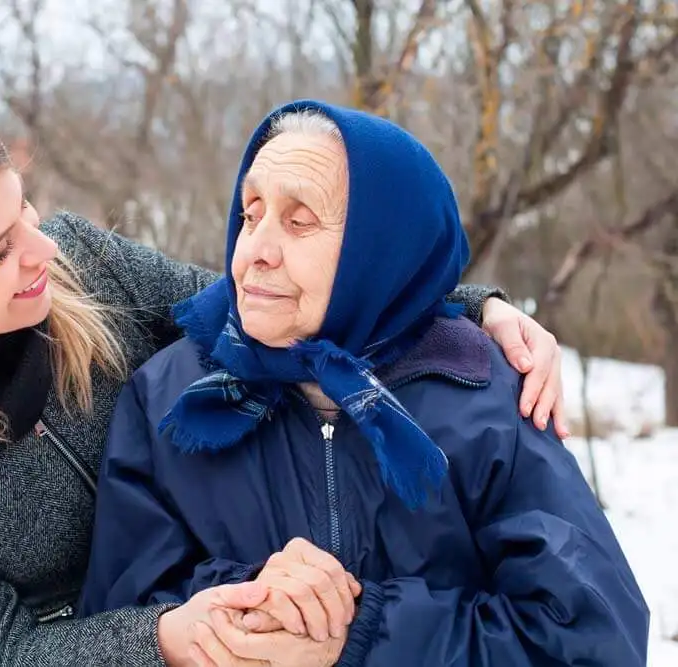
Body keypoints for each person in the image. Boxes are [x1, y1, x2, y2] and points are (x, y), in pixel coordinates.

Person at [0, 103, 569, 666]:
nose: (39, 250)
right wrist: (160, 638)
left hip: (256, 575)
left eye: (25, 212)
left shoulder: (80, 262)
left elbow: (264, 306)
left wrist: (471, 307)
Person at [79, 100, 649, 666]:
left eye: (299, 221)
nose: (256, 251)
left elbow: (592, 641)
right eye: (251, 214)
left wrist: (362, 632)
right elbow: (119, 625)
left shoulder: (486, 397)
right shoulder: (171, 396)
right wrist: (261, 604)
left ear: (378, 250)